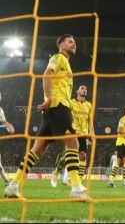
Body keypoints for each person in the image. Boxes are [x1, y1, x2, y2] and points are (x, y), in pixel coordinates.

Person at [4, 34, 86, 199]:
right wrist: (49, 98)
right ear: (61, 45)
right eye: (70, 42)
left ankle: (13, 186)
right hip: (59, 106)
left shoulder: (66, 63)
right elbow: (47, 75)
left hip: (51, 111)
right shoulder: (58, 57)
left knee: (37, 150)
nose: (74, 44)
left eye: (75, 42)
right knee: (73, 142)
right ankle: (76, 188)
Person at [51, 84, 93, 187]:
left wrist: (92, 133)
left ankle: (78, 181)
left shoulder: (89, 105)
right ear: (77, 91)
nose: (84, 90)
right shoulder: (71, 103)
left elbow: (90, 121)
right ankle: (56, 171)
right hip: (72, 132)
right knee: (67, 156)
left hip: (83, 134)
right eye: (82, 88)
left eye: (86, 89)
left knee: (83, 156)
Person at [108, 105, 125, 188]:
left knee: (119, 162)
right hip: (122, 142)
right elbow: (119, 130)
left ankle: (111, 181)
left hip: (124, 142)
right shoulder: (123, 119)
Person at [0, 91, 15, 185]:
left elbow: (4, 121)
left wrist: (10, 126)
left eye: (0, 95)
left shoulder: (0, 110)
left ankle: (6, 180)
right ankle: (6, 180)